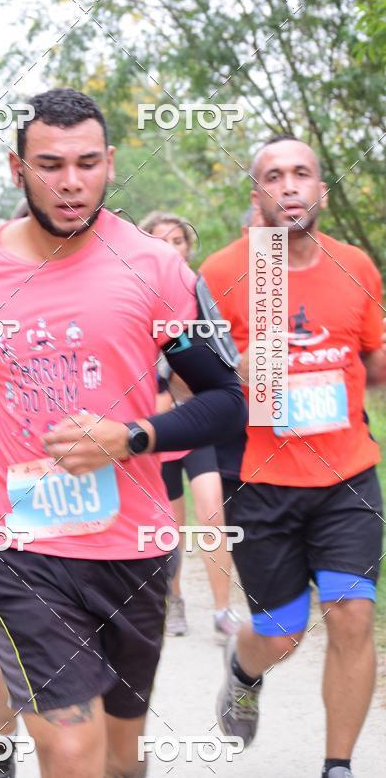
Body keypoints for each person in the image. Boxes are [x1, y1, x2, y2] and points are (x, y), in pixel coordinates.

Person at [0, 88, 246, 778]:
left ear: (110, 163)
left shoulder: (156, 268)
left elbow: (223, 399)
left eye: (87, 163)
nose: (71, 182)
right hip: (20, 545)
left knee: (121, 758)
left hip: (134, 546)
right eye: (50, 164)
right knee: (72, 750)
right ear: (17, 169)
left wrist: (130, 437)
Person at [202, 136, 386, 778]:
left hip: (348, 477)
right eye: (273, 176)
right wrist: (235, 372)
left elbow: (373, 362)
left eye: (301, 174)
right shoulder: (223, 273)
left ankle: (338, 765)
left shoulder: (357, 265)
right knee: (279, 634)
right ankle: (243, 672)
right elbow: (187, 381)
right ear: (257, 195)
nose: (288, 186)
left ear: (320, 192)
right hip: (262, 482)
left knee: (354, 614)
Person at [139, 211, 240, 642]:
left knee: (213, 513)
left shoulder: (200, 296)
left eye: (179, 240)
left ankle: (222, 609)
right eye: (161, 241)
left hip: (196, 424)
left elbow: (224, 362)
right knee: (169, 526)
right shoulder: (131, 295)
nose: (172, 247)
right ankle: (173, 600)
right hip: (153, 430)